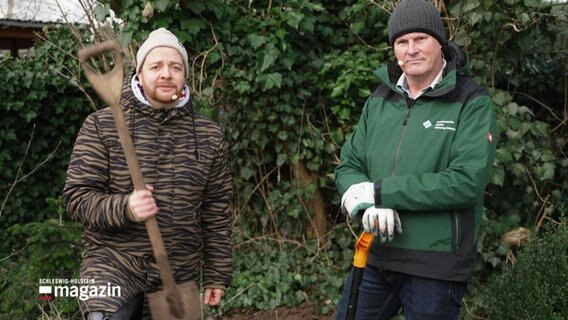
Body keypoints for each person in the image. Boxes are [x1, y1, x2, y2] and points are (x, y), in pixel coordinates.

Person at [334, 0, 497, 319]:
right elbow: (349, 165)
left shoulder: (471, 101)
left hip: (434, 265)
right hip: (375, 255)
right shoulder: (380, 100)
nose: (412, 49)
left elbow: (464, 183)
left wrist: (381, 192)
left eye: (420, 39)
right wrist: (367, 203)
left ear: (440, 43)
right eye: (402, 42)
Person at [64, 27, 233, 319]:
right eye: (156, 66)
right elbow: (77, 199)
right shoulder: (101, 126)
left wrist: (217, 273)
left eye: (175, 66)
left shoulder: (208, 135)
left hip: (179, 271)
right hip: (113, 263)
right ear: (139, 74)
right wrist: (125, 207)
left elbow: (216, 210)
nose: (166, 73)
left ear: (184, 77)